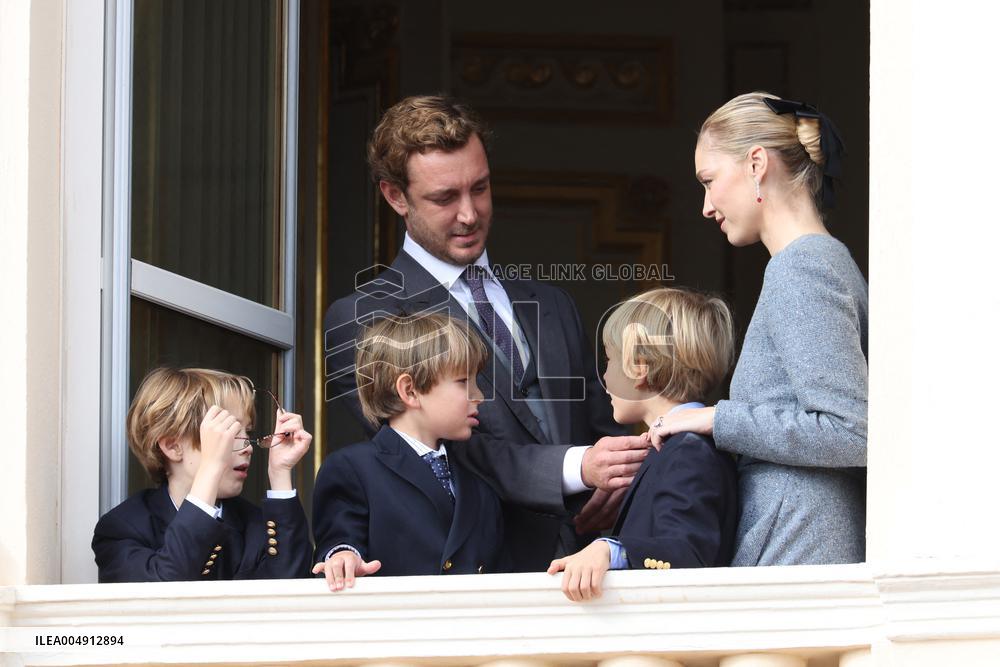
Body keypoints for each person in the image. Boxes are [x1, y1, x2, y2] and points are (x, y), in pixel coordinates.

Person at [323, 95, 646, 571]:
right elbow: (451, 455)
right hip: (473, 584)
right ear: (396, 196)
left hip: (590, 573)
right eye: (444, 198)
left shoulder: (553, 304)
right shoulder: (364, 318)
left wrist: (621, 482)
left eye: (480, 188)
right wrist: (581, 468)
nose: (470, 214)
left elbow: (606, 424)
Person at [649, 92, 868, 566]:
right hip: (803, 528)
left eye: (709, 181)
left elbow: (851, 430)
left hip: (801, 536)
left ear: (755, 163)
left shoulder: (802, 267)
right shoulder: (821, 262)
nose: (706, 206)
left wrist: (713, 419)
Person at [548, 288, 739, 601]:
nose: (604, 377)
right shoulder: (676, 448)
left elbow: (687, 552)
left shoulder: (688, 452)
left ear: (639, 368)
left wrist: (607, 549)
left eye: (608, 360)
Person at [312, 313, 507, 589]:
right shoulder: (352, 468)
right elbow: (340, 535)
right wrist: (344, 555)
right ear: (410, 391)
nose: (479, 395)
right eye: (464, 381)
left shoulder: (477, 477)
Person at [92, 367, 313, 582]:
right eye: (229, 433)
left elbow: (292, 591)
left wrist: (280, 472)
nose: (248, 446)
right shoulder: (122, 527)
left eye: (248, 432)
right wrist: (211, 467)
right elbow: (166, 589)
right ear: (173, 446)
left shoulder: (254, 524)